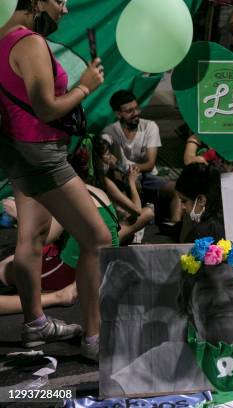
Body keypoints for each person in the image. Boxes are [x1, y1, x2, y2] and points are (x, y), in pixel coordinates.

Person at [0, 0, 110, 358]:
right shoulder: (29, 42)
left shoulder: (2, 39)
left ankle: (35, 324)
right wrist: (85, 87)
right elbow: (46, 107)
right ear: (35, 2)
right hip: (42, 154)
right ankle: (94, 339)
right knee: (97, 238)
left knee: (31, 236)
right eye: (59, 1)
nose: (64, 9)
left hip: (18, 151)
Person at [105, 242, 233, 395]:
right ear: (189, 305)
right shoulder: (171, 358)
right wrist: (108, 302)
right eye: (207, 289)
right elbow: (113, 391)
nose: (221, 299)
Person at [0, 146, 121, 314]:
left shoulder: (65, 196)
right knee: (11, 259)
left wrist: (18, 214)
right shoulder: (96, 191)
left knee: (6, 269)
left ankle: (55, 297)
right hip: (107, 266)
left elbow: (42, 238)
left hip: (75, 272)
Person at [101, 90, 181, 224]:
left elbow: (150, 164)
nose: (136, 113)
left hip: (146, 177)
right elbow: (104, 152)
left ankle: (175, 226)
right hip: (123, 178)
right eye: (129, 111)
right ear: (118, 114)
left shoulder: (149, 127)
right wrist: (106, 157)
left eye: (136, 108)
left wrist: (124, 167)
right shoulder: (111, 131)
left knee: (178, 188)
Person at [92, 136, 154, 244]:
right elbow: (137, 210)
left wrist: (118, 169)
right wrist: (131, 181)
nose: (111, 157)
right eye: (107, 154)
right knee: (148, 212)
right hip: (106, 239)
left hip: (90, 233)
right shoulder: (104, 182)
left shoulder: (88, 177)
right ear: (98, 159)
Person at [175, 163, 225, 243]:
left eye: (184, 201)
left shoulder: (201, 234)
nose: (182, 207)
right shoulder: (226, 218)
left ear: (201, 200)